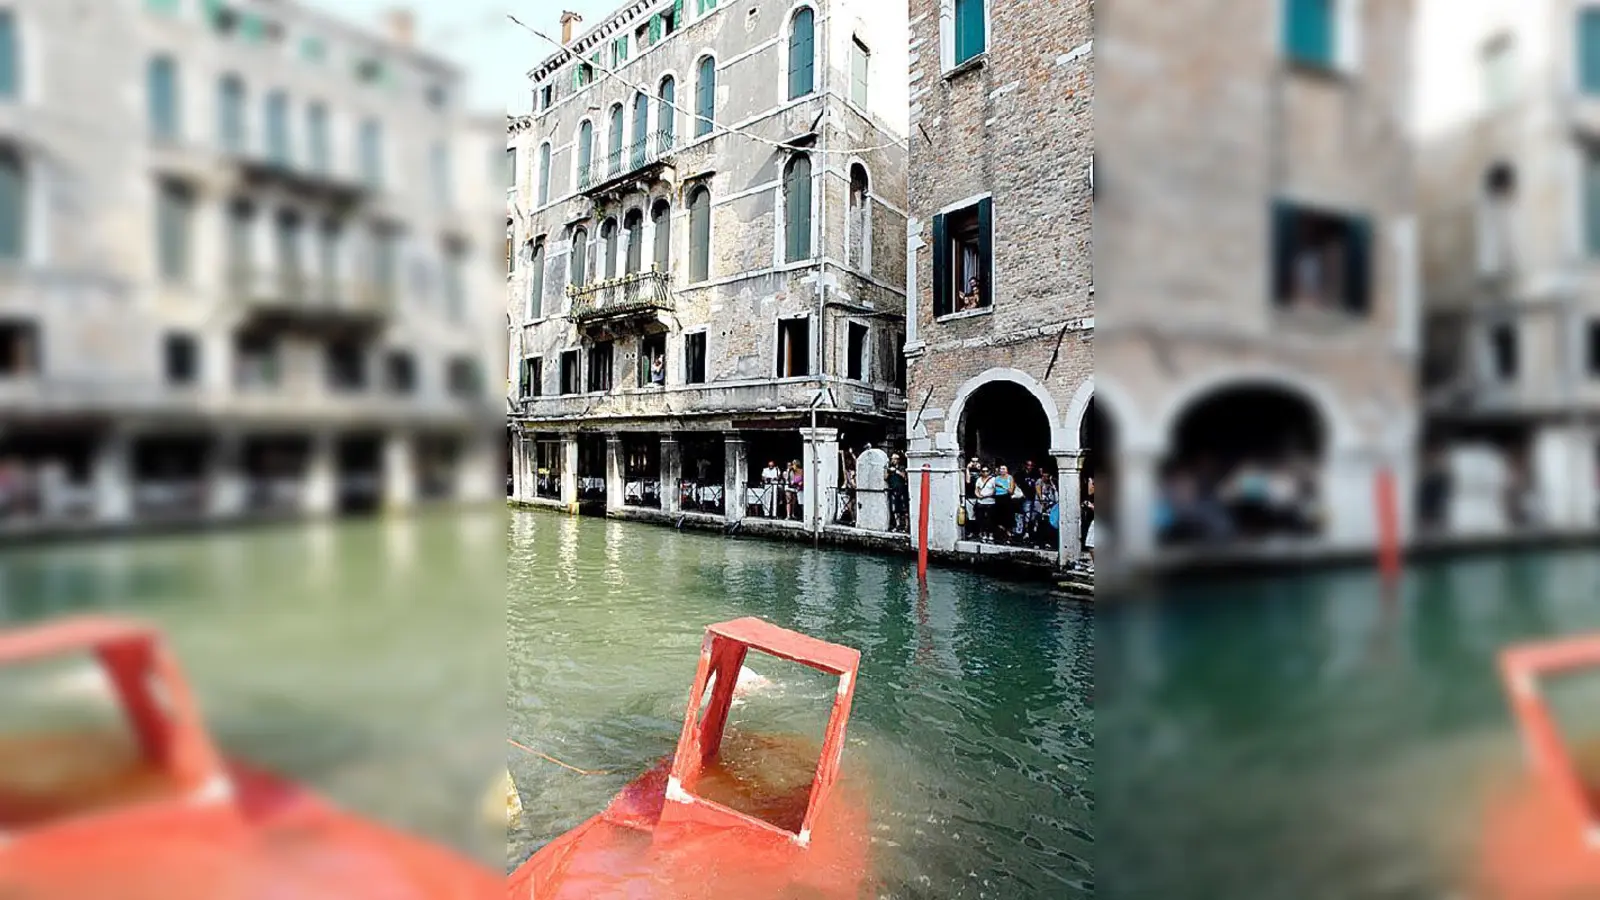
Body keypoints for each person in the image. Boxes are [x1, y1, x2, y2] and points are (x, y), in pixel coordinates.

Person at [973, 466, 998, 542]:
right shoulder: (979, 480)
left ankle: (990, 535)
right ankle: (983, 534)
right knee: (981, 519)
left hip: (990, 502)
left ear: (989, 471)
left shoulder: (993, 480)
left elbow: (994, 490)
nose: (985, 473)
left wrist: (985, 496)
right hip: (981, 502)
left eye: (986, 471)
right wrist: (978, 495)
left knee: (990, 519)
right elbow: (976, 489)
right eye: (983, 471)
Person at [992, 464, 1016, 544]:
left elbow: (1011, 491)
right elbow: (994, 489)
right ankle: (1000, 535)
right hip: (998, 499)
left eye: (1003, 469)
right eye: (1000, 469)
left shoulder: (1010, 478)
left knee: (1008, 517)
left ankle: (1008, 536)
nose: (1002, 470)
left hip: (1006, 498)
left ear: (1007, 470)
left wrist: (1002, 486)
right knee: (998, 518)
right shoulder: (996, 478)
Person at [887, 452, 910, 533]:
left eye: (894, 459)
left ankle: (906, 526)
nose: (892, 460)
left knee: (904, 509)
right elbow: (885, 477)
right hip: (894, 490)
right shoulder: (890, 468)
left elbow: (904, 477)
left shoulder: (902, 467)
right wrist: (887, 470)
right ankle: (898, 525)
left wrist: (896, 471)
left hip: (902, 490)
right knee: (895, 510)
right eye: (892, 459)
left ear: (898, 460)